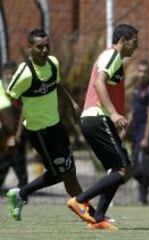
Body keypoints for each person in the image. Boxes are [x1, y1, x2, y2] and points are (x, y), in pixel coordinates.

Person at [5, 29, 85, 221]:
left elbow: (56, 84)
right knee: (64, 173)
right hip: (39, 132)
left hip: (57, 126)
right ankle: (90, 214)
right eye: (39, 47)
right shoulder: (24, 74)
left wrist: (73, 103)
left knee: (67, 172)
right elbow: (9, 97)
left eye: (47, 46)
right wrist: (12, 130)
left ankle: (21, 193)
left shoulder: (53, 63)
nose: (44, 50)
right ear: (30, 48)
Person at [67, 24, 138, 230]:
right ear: (123, 41)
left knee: (121, 169)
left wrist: (115, 118)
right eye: (134, 42)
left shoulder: (116, 60)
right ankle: (80, 200)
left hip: (99, 119)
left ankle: (98, 218)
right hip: (97, 117)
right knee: (123, 169)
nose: (137, 46)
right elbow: (99, 83)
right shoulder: (111, 56)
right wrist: (114, 114)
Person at [127, 59, 149, 205]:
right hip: (135, 132)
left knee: (144, 167)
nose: (142, 74)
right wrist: (125, 131)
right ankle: (146, 194)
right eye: (140, 71)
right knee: (136, 167)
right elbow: (132, 111)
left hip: (145, 133)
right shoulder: (136, 88)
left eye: (145, 72)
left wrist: (146, 137)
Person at [0, 61, 28, 192]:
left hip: (18, 132)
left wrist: (17, 134)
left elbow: (25, 111)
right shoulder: (1, 89)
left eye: (11, 74)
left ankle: (24, 190)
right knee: (3, 161)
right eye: (6, 74)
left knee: (19, 161)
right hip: (3, 133)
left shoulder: (20, 90)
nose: (8, 76)